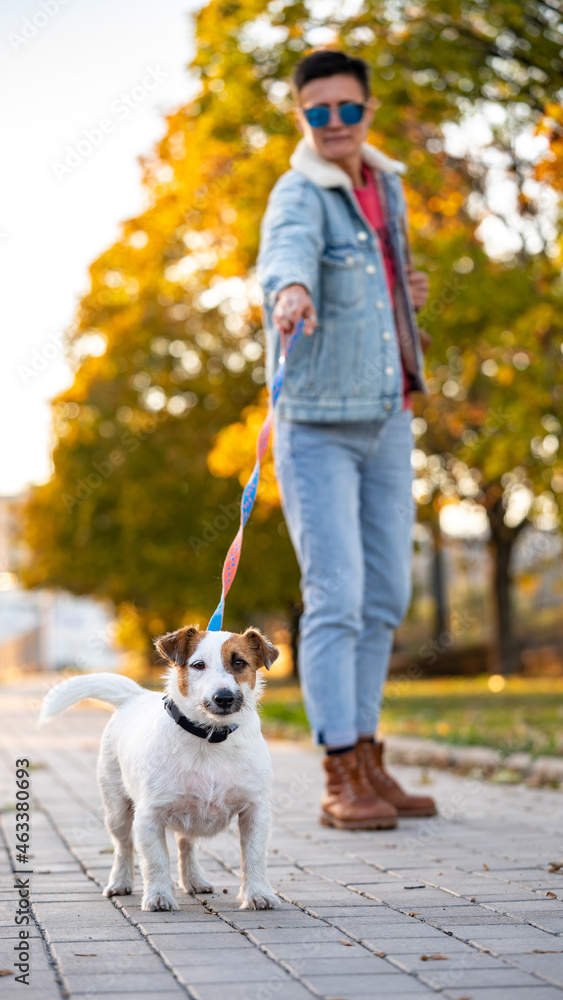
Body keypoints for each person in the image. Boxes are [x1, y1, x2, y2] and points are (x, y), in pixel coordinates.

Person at [257, 49, 437, 830]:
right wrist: (291, 289)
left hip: (387, 413)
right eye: (317, 112)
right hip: (317, 426)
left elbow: (376, 278)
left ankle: (369, 756)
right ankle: (338, 776)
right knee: (336, 597)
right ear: (301, 118)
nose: (334, 124)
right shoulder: (298, 191)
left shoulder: (385, 183)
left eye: (347, 110)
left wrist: (404, 292)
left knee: (386, 597)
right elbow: (286, 253)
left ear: (366, 111)